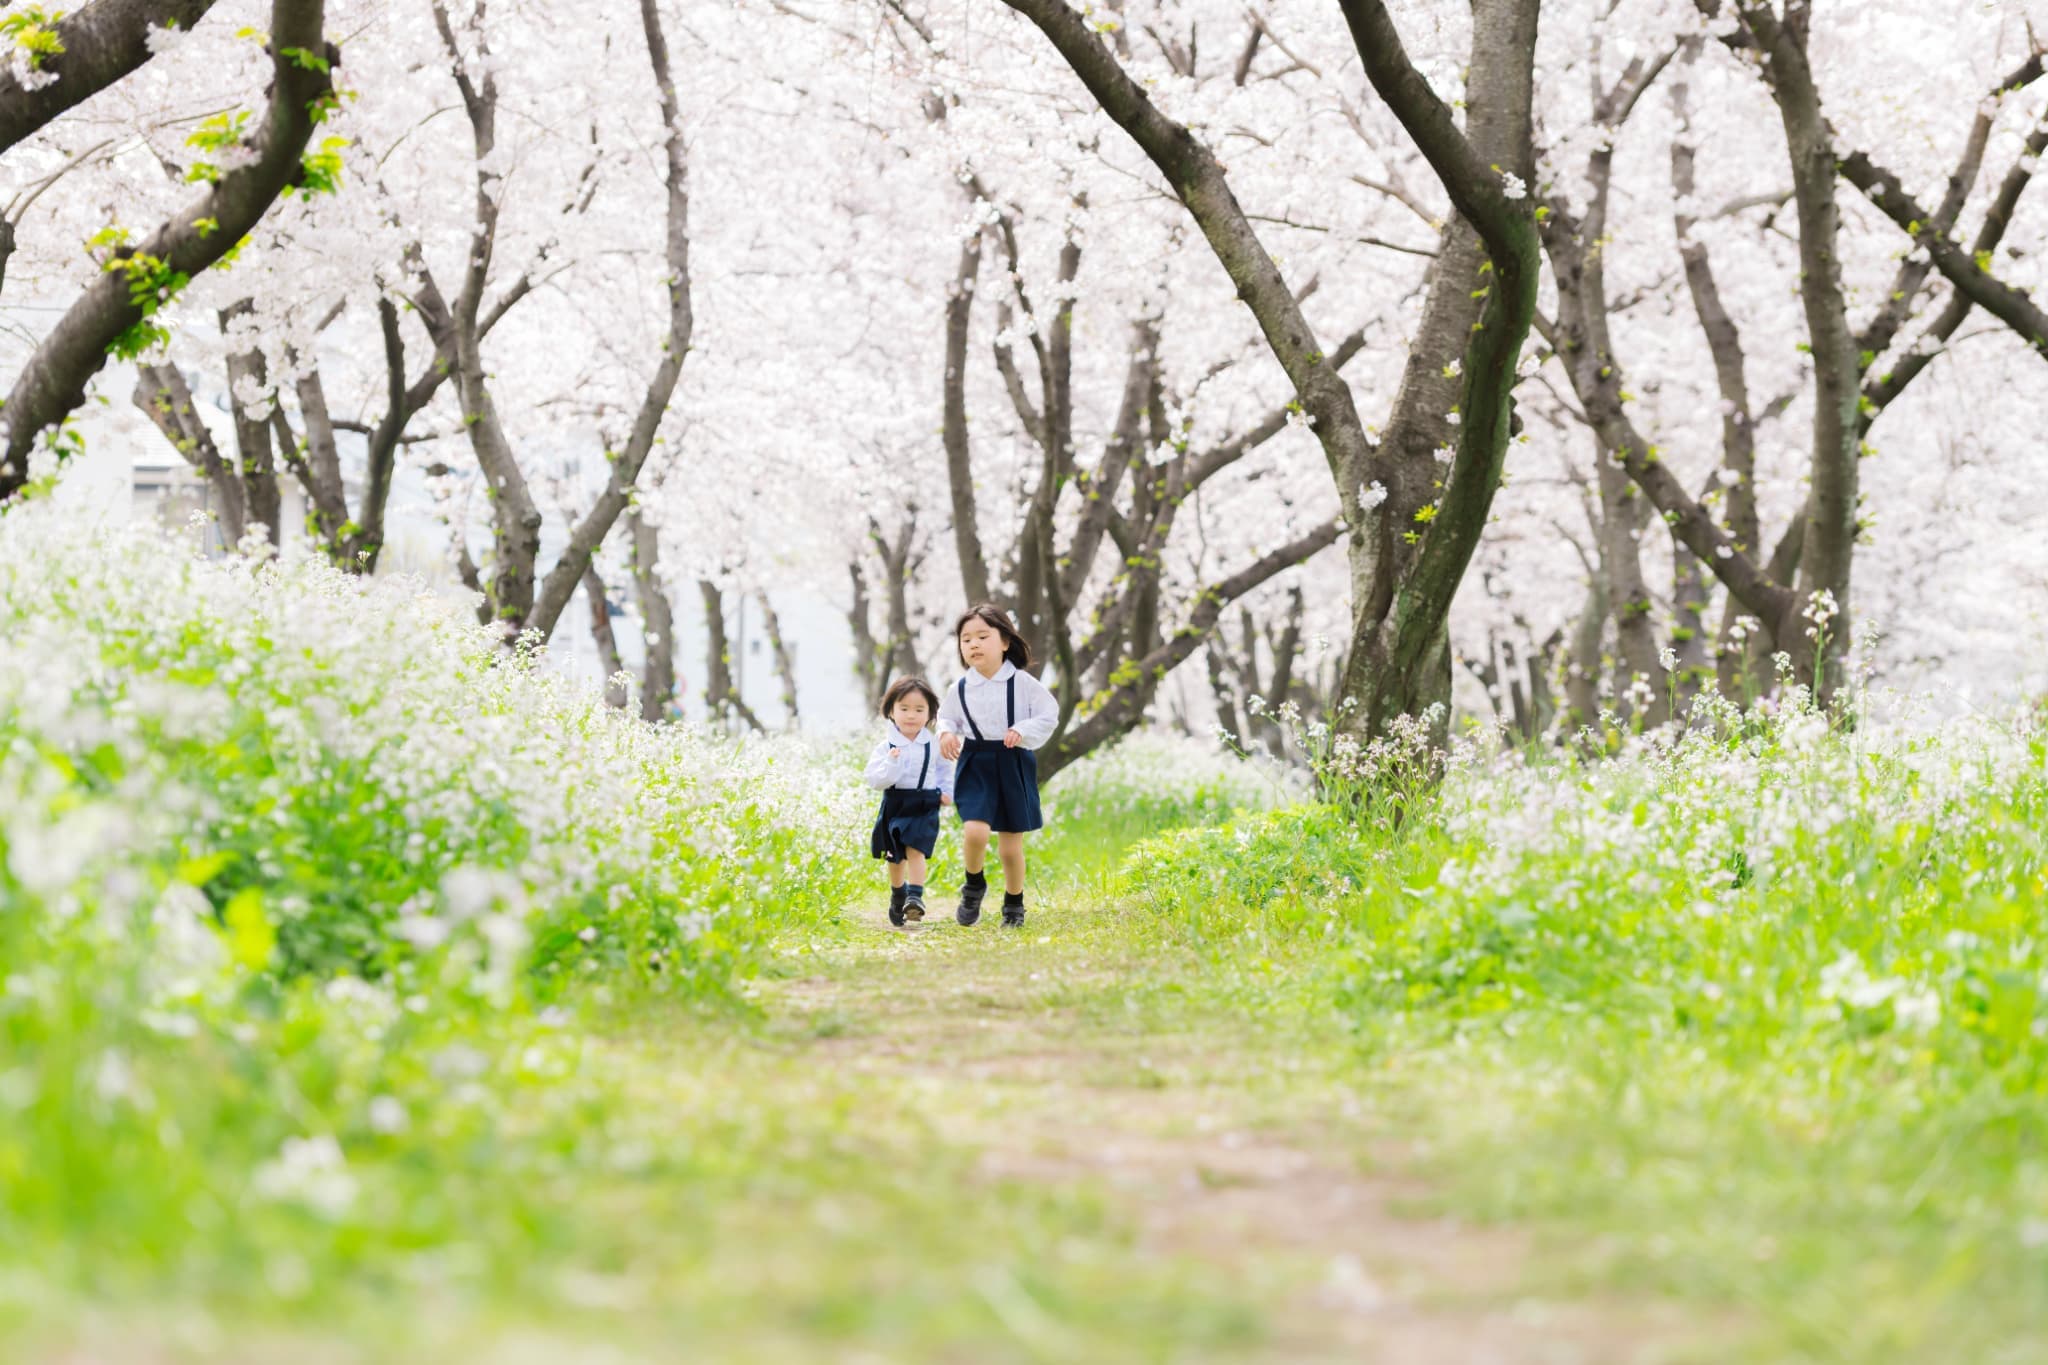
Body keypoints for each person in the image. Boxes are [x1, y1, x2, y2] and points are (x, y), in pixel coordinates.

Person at [937, 604, 1057, 927]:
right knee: (974, 831)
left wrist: (1023, 730)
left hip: (1012, 761)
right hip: (975, 761)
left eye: (982, 636)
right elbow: (947, 716)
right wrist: (946, 732)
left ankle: (1014, 903)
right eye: (965, 639)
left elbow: (1048, 714)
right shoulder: (959, 688)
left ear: (1004, 642)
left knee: (1009, 846)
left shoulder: (1023, 683)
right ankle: (974, 884)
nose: (973, 644)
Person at [865, 676, 954, 926]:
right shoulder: (886, 746)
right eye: (904, 709)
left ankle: (915, 897)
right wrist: (892, 761)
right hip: (896, 802)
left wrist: (947, 792)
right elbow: (875, 780)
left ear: (930, 714)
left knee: (917, 849)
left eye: (919, 709)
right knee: (895, 856)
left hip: (925, 802)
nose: (911, 715)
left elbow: (945, 770)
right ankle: (898, 894)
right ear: (891, 711)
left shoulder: (934, 744)